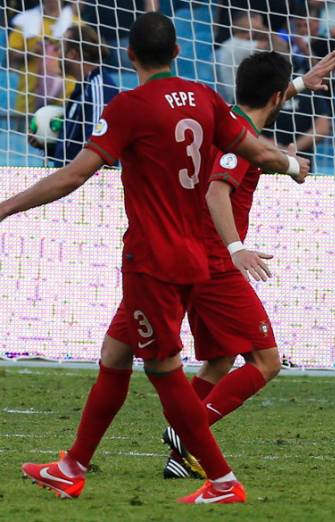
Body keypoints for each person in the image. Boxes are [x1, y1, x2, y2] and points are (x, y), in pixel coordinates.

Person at [8, 12, 308, 504]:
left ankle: (222, 481)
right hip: (195, 255)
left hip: (153, 260)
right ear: (176, 53)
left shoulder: (129, 106)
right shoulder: (206, 98)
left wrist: (6, 207)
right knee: (115, 353)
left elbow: (72, 176)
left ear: (130, 56)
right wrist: (295, 164)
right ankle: (71, 466)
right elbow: (256, 148)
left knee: (163, 368)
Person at [154, 49, 335, 480]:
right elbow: (218, 190)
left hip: (189, 254)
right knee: (266, 360)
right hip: (216, 262)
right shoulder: (238, 136)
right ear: (275, 98)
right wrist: (237, 248)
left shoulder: (227, 119)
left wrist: (298, 85)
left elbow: (258, 150)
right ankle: (188, 432)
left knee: (219, 360)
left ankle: (179, 459)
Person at [28, 25, 118, 166]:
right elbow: (74, 151)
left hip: (90, 186)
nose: (57, 54)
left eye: (60, 48)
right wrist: (47, 146)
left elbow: (96, 153)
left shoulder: (99, 88)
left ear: (73, 54)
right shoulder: (81, 89)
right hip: (72, 184)